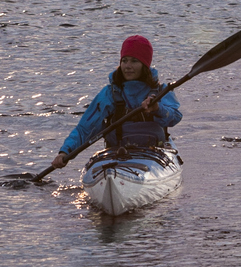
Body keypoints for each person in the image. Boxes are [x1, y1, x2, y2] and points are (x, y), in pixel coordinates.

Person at [42, 35, 181, 176]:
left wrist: (157, 108)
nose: (127, 66)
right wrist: (65, 152)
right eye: (124, 61)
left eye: (134, 61)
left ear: (145, 65)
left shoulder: (161, 91)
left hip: (154, 152)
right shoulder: (110, 94)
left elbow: (175, 117)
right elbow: (85, 128)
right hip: (117, 152)